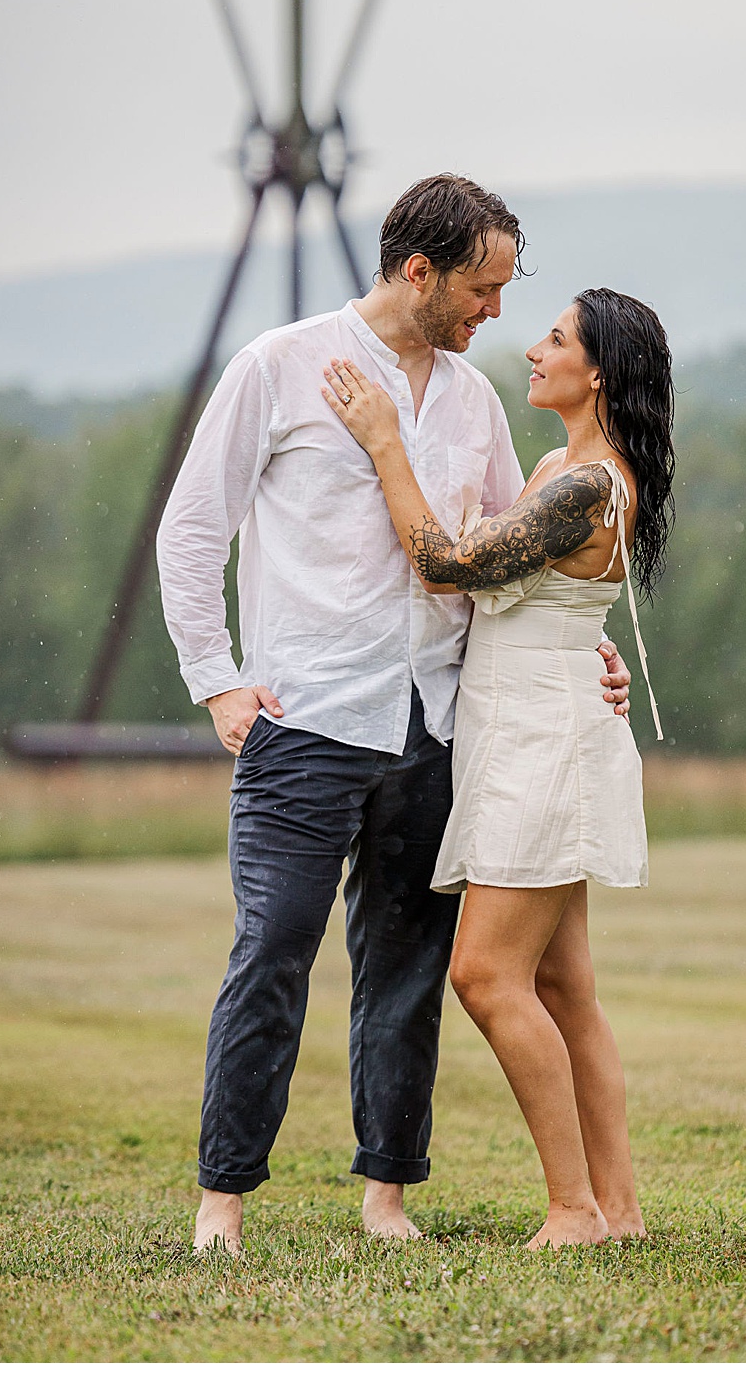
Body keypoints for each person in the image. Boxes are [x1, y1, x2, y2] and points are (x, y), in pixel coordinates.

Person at [157, 174, 631, 1256]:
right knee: (274, 948)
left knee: (408, 968)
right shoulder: (278, 366)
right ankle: (221, 1201)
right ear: (417, 271)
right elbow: (192, 531)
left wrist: (588, 643)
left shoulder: (471, 402)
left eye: (508, 293)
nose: (494, 314)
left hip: (437, 723)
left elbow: (515, 554)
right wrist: (218, 678)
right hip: (306, 715)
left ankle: (387, 1197)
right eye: (481, 287)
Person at [320, 285, 673, 1248]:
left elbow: (444, 565)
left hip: (540, 741)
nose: (533, 349)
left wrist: (386, 440)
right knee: (564, 988)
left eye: (554, 339)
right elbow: (529, 598)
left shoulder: (582, 488)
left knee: (485, 975)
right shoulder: (565, 467)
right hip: (524, 722)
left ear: (595, 372)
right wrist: (594, 650)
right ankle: (621, 1210)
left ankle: (574, 1211)